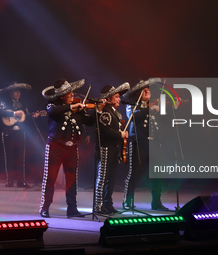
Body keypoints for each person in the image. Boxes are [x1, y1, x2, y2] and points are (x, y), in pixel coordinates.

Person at [40, 78, 105, 218]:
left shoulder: (78, 107)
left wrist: (98, 111)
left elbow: (89, 122)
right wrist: (71, 107)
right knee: (50, 179)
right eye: (69, 93)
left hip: (72, 149)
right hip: (55, 147)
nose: (72, 95)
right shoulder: (52, 105)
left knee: (72, 180)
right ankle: (45, 208)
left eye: (72, 93)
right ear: (61, 95)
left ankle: (72, 209)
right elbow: (54, 112)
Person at [122, 78, 169, 211]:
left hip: (154, 143)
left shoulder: (152, 106)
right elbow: (134, 116)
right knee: (134, 173)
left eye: (148, 90)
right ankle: (127, 201)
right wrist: (150, 108)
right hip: (138, 142)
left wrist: (167, 108)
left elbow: (165, 120)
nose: (148, 92)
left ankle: (156, 202)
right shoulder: (131, 104)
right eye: (145, 91)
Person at [94, 82, 130, 216]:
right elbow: (104, 130)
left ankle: (108, 204)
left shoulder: (116, 111)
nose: (119, 99)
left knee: (111, 178)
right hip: (106, 148)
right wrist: (119, 134)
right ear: (109, 99)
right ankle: (99, 205)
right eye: (116, 97)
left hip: (114, 148)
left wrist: (122, 133)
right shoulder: (105, 111)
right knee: (103, 177)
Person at [0, 82, 38, 188]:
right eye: (16, 91)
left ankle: (21, 180)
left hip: (20, 132)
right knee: (9, 157)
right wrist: (13, 114)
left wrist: (33, 116)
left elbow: (25, 116)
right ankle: (9, 181)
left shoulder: (22, 104)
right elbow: (0, 112)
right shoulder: (4, 102)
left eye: (19, 91)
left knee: (21, 157)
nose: (18, 93)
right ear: (11, 92)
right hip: (9, 132)